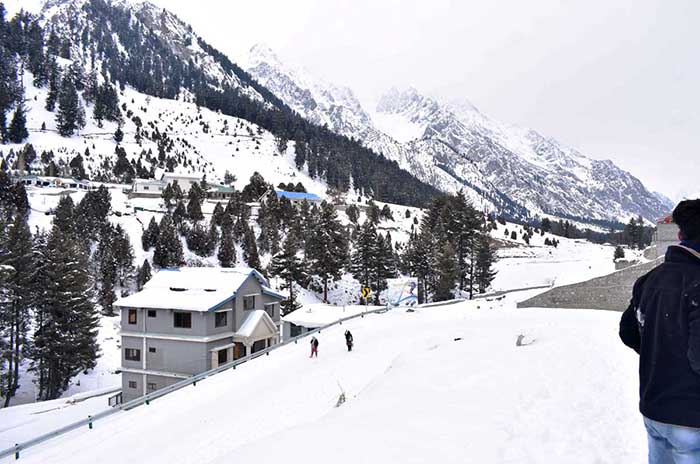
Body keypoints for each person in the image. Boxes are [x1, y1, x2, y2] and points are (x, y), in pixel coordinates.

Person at [620, 199, 700, 464]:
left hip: (654, 410)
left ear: (679, 235)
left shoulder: (649, 280)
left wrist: (663, 347)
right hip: (692, 419)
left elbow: (628, 332)